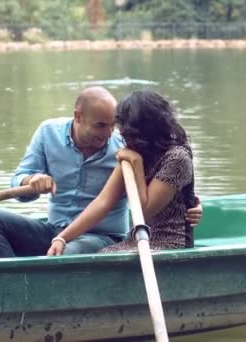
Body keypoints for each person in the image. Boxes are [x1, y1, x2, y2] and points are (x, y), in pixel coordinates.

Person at [0, 86, 202, 257]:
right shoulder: (49, 132)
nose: (111, 133)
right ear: (78, 117)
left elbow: (149, 204)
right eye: (102, 126)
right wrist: (32, 181)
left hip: (102, 237)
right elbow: (101, 202)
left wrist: (192, 204)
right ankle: (10, 288)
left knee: (72, 254)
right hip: (56, 229)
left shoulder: (126, 147)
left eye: (114, 126)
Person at [47, 89, 196, 256]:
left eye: (125, 128)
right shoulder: (134, 151)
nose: (120, 134)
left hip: (169, 242)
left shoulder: (177, 158)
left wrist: (136, 164)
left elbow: (144, 213)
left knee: (92, 258)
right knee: (98, 255)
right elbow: (102, 203)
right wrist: (61, 238)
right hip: (135, 241)